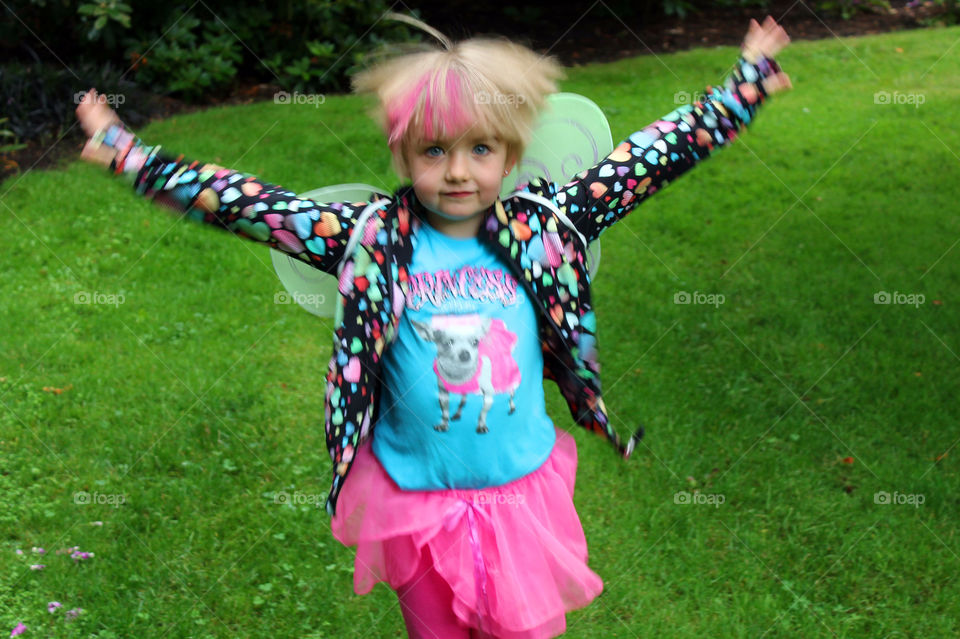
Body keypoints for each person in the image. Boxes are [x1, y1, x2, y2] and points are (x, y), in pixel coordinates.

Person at [75, 13, 791, 639]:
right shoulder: (368, 237)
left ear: (511, 154)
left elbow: (648, 160)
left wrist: (744, 85)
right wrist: (131, 153)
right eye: (434, 151)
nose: (457, 173)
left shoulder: (546, 229)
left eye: (480, 150)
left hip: (519, 495)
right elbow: (251, 205)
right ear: (404, 155)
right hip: (413, 503)